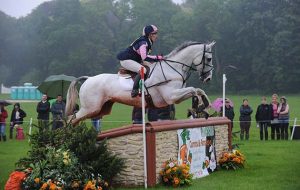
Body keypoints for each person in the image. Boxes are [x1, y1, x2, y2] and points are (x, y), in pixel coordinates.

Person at [117, 25, 163, 97]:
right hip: (126, 60)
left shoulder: (148, 41)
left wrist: (156, 60)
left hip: (134, 59)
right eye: (155, 33)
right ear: (150, 34)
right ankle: (135, 90)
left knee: (152, 67)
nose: (156, 36)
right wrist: (157, 58)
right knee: (143, 70)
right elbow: (144, 57)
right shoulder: (144, 42)